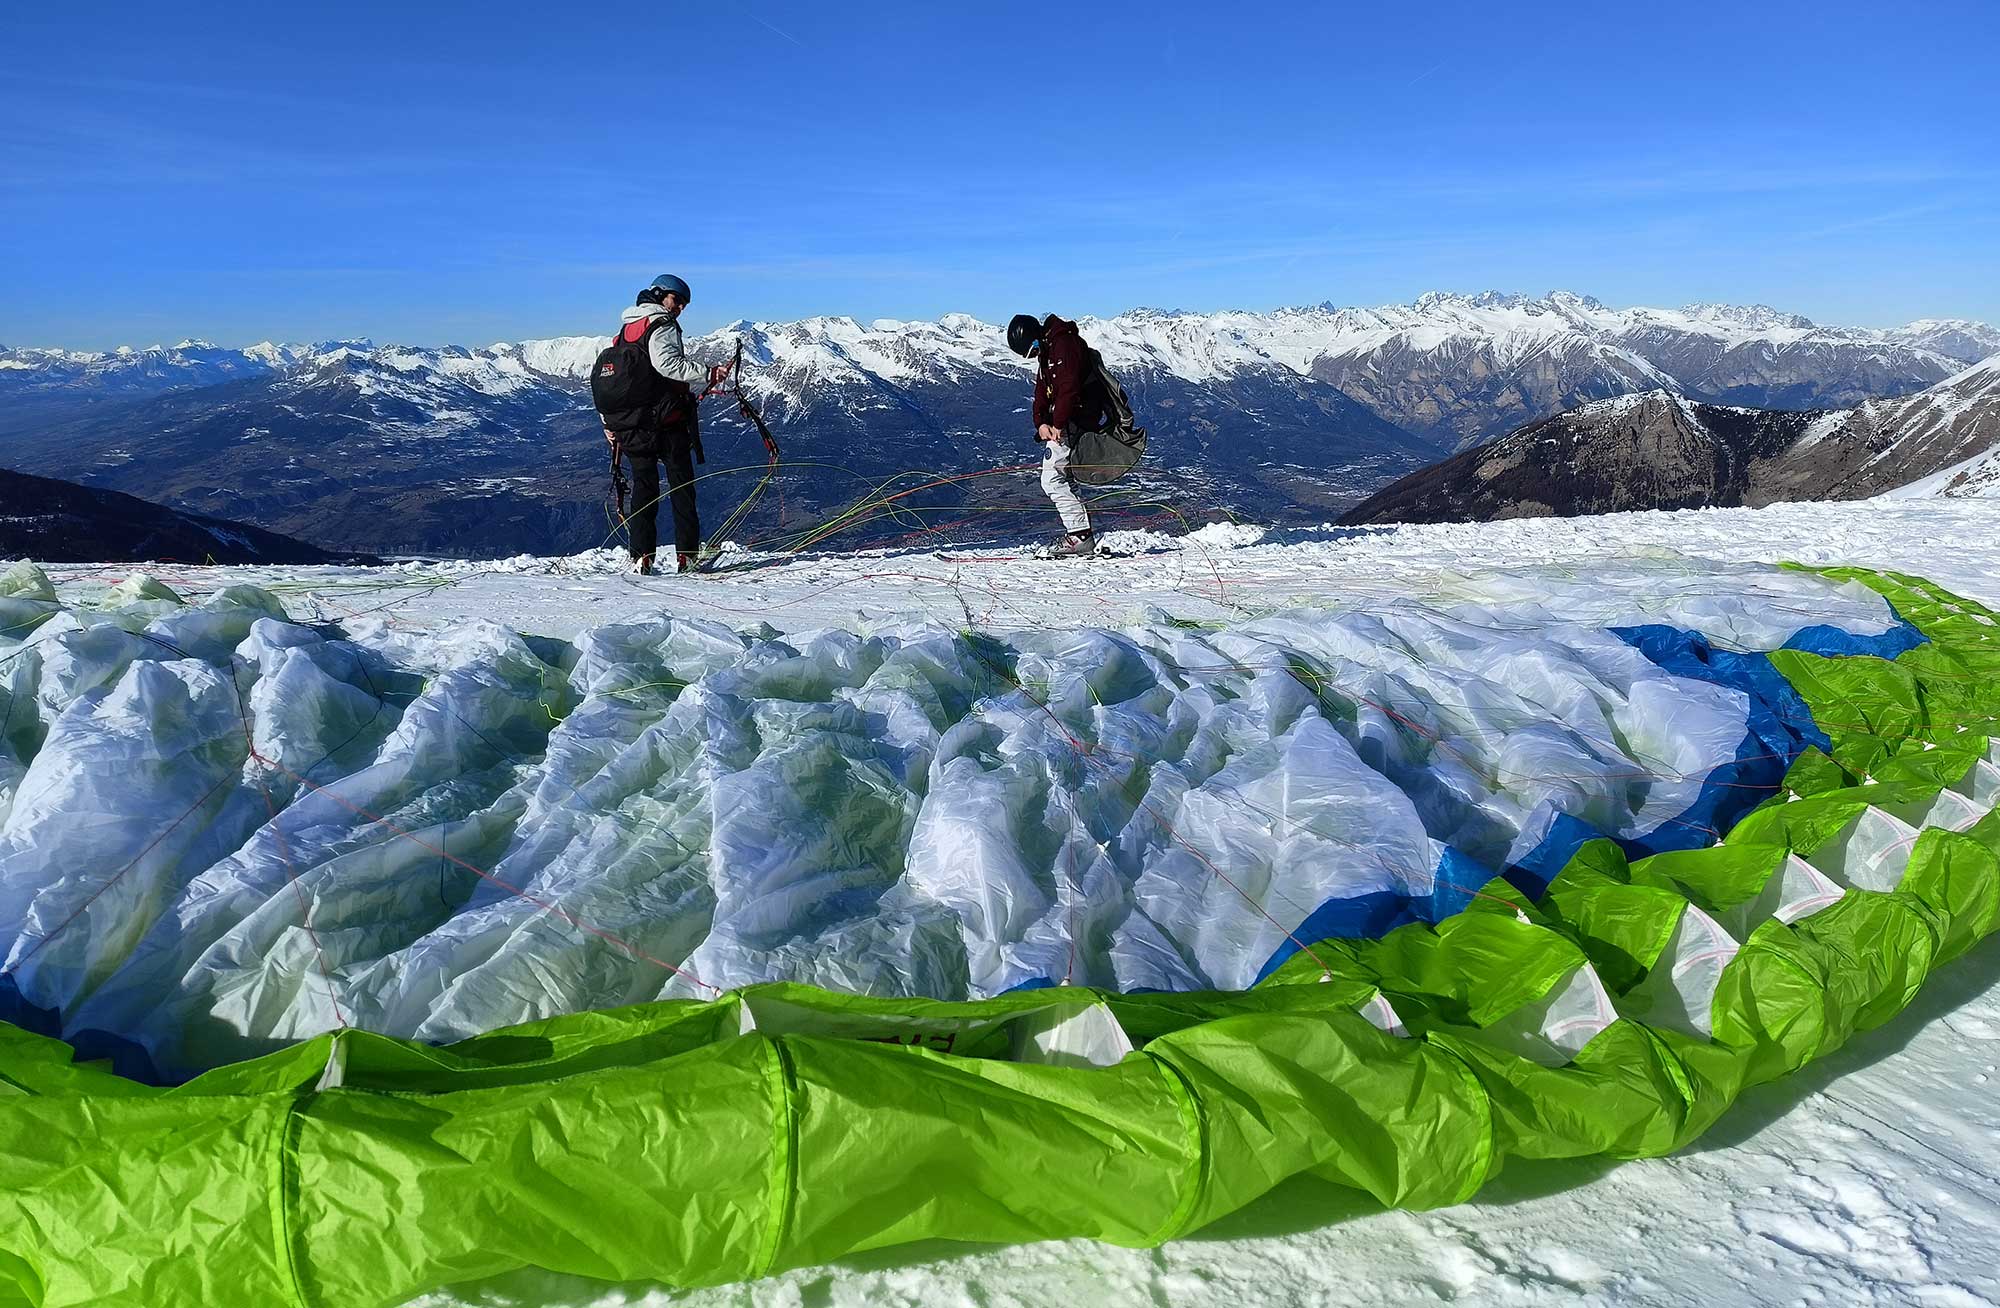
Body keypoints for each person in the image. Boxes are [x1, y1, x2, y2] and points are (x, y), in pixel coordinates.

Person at [600, 275, 731, 574]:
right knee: (682, 489)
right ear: (660, 296)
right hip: (667, 423)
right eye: (677, 300)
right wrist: (709, 374)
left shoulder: (626, 331)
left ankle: (641, 557)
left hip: (631, 426)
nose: (680, 308)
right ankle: (687, 556)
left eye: (684, 304)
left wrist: (610, 423)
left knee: (644, 491)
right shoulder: (662, 325)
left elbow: (614, 385)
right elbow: (666, 365)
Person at [1008, 312, 1111, 557]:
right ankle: (1080, 533)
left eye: (1031, 350)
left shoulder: (1063, 345)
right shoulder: (1049, 349)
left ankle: (1079, 536)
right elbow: (1042, 390)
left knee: (1052, 479)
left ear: (1035, 337)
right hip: (1067, 420)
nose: (1033, 356)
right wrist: (1040, 423)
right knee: (1061, 476)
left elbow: (1068, 388)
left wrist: (1057, 424)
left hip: (1075, 419)